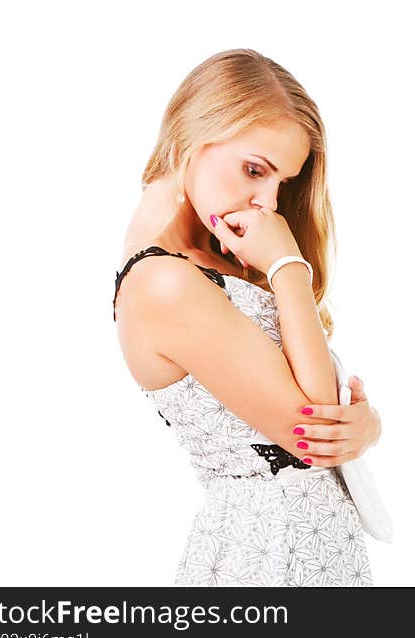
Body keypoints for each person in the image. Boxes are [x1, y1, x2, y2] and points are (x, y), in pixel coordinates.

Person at [112, 49, 382, 586]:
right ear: (194, 131)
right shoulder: (163, 283)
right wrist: (286, 264)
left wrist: (367, 427)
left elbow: (322, 413)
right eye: (254, 169)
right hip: (266, 558)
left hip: (308, 548)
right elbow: (308, 428)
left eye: (279, 183)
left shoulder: (216, 259)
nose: (266, 201)